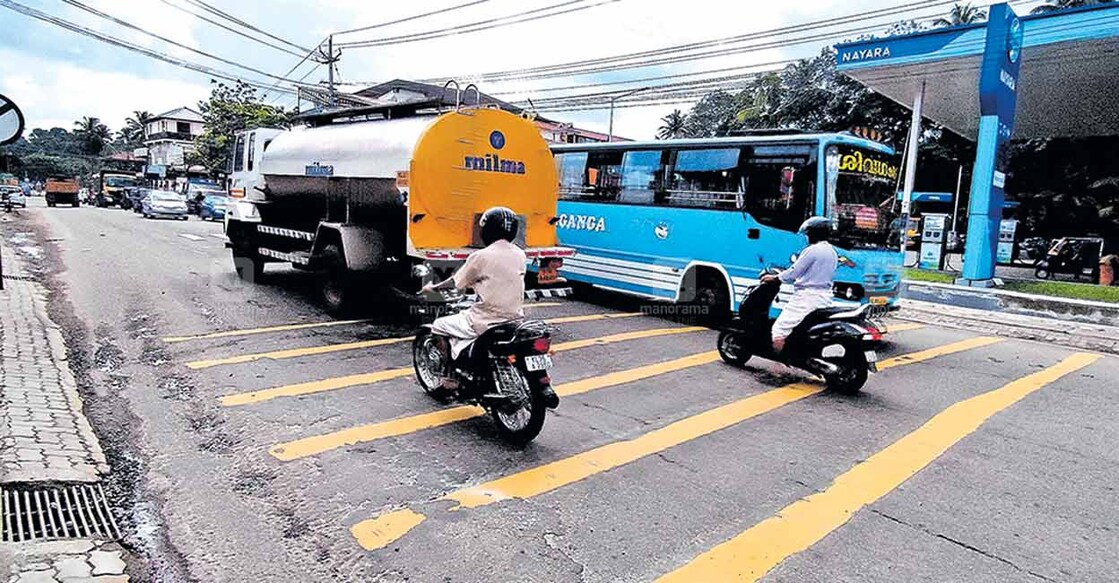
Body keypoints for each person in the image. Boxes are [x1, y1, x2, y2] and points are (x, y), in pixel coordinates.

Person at [422, 206, 558, 407]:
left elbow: (456, 282)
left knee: (439, 325)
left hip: (485, 320)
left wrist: (433, 287)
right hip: (514, 318)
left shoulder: (481, 256)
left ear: (487, 230)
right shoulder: (520, 254)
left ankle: (450, 379)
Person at [762, 217, 838, 354]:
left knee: (779, 329)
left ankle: (779, 361)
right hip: (824, 297)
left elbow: (794, 272)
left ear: (814, 234)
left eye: (808, 234)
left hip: (806, 298)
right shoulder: (832, 252)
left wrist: (775, 278)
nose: (807, 237)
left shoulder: (812, 250)